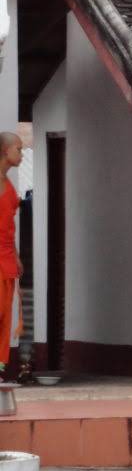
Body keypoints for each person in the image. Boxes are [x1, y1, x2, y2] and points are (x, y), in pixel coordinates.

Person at [0, 132, 22, 370]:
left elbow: (8, 226)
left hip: (6, 259)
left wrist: (15, 256)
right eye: (19, 149)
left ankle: (0, 369)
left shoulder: (9, 184)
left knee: (5, 318)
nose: (22, 155)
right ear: (6, 151)